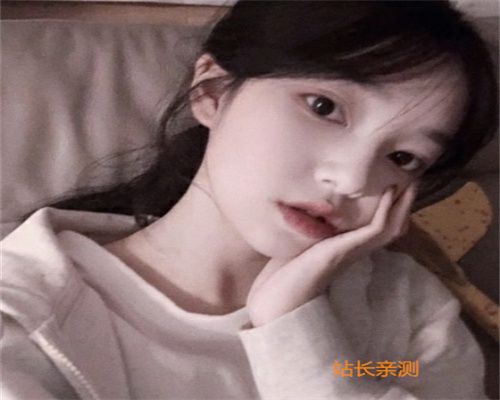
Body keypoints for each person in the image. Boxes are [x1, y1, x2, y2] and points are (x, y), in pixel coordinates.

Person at [1, 1, 498, 399]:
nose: (352, 180)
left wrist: (295, 328)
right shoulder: (23, 314)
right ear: (212, 91)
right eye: (324, 107)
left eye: (404, 157)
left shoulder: (405, 313)